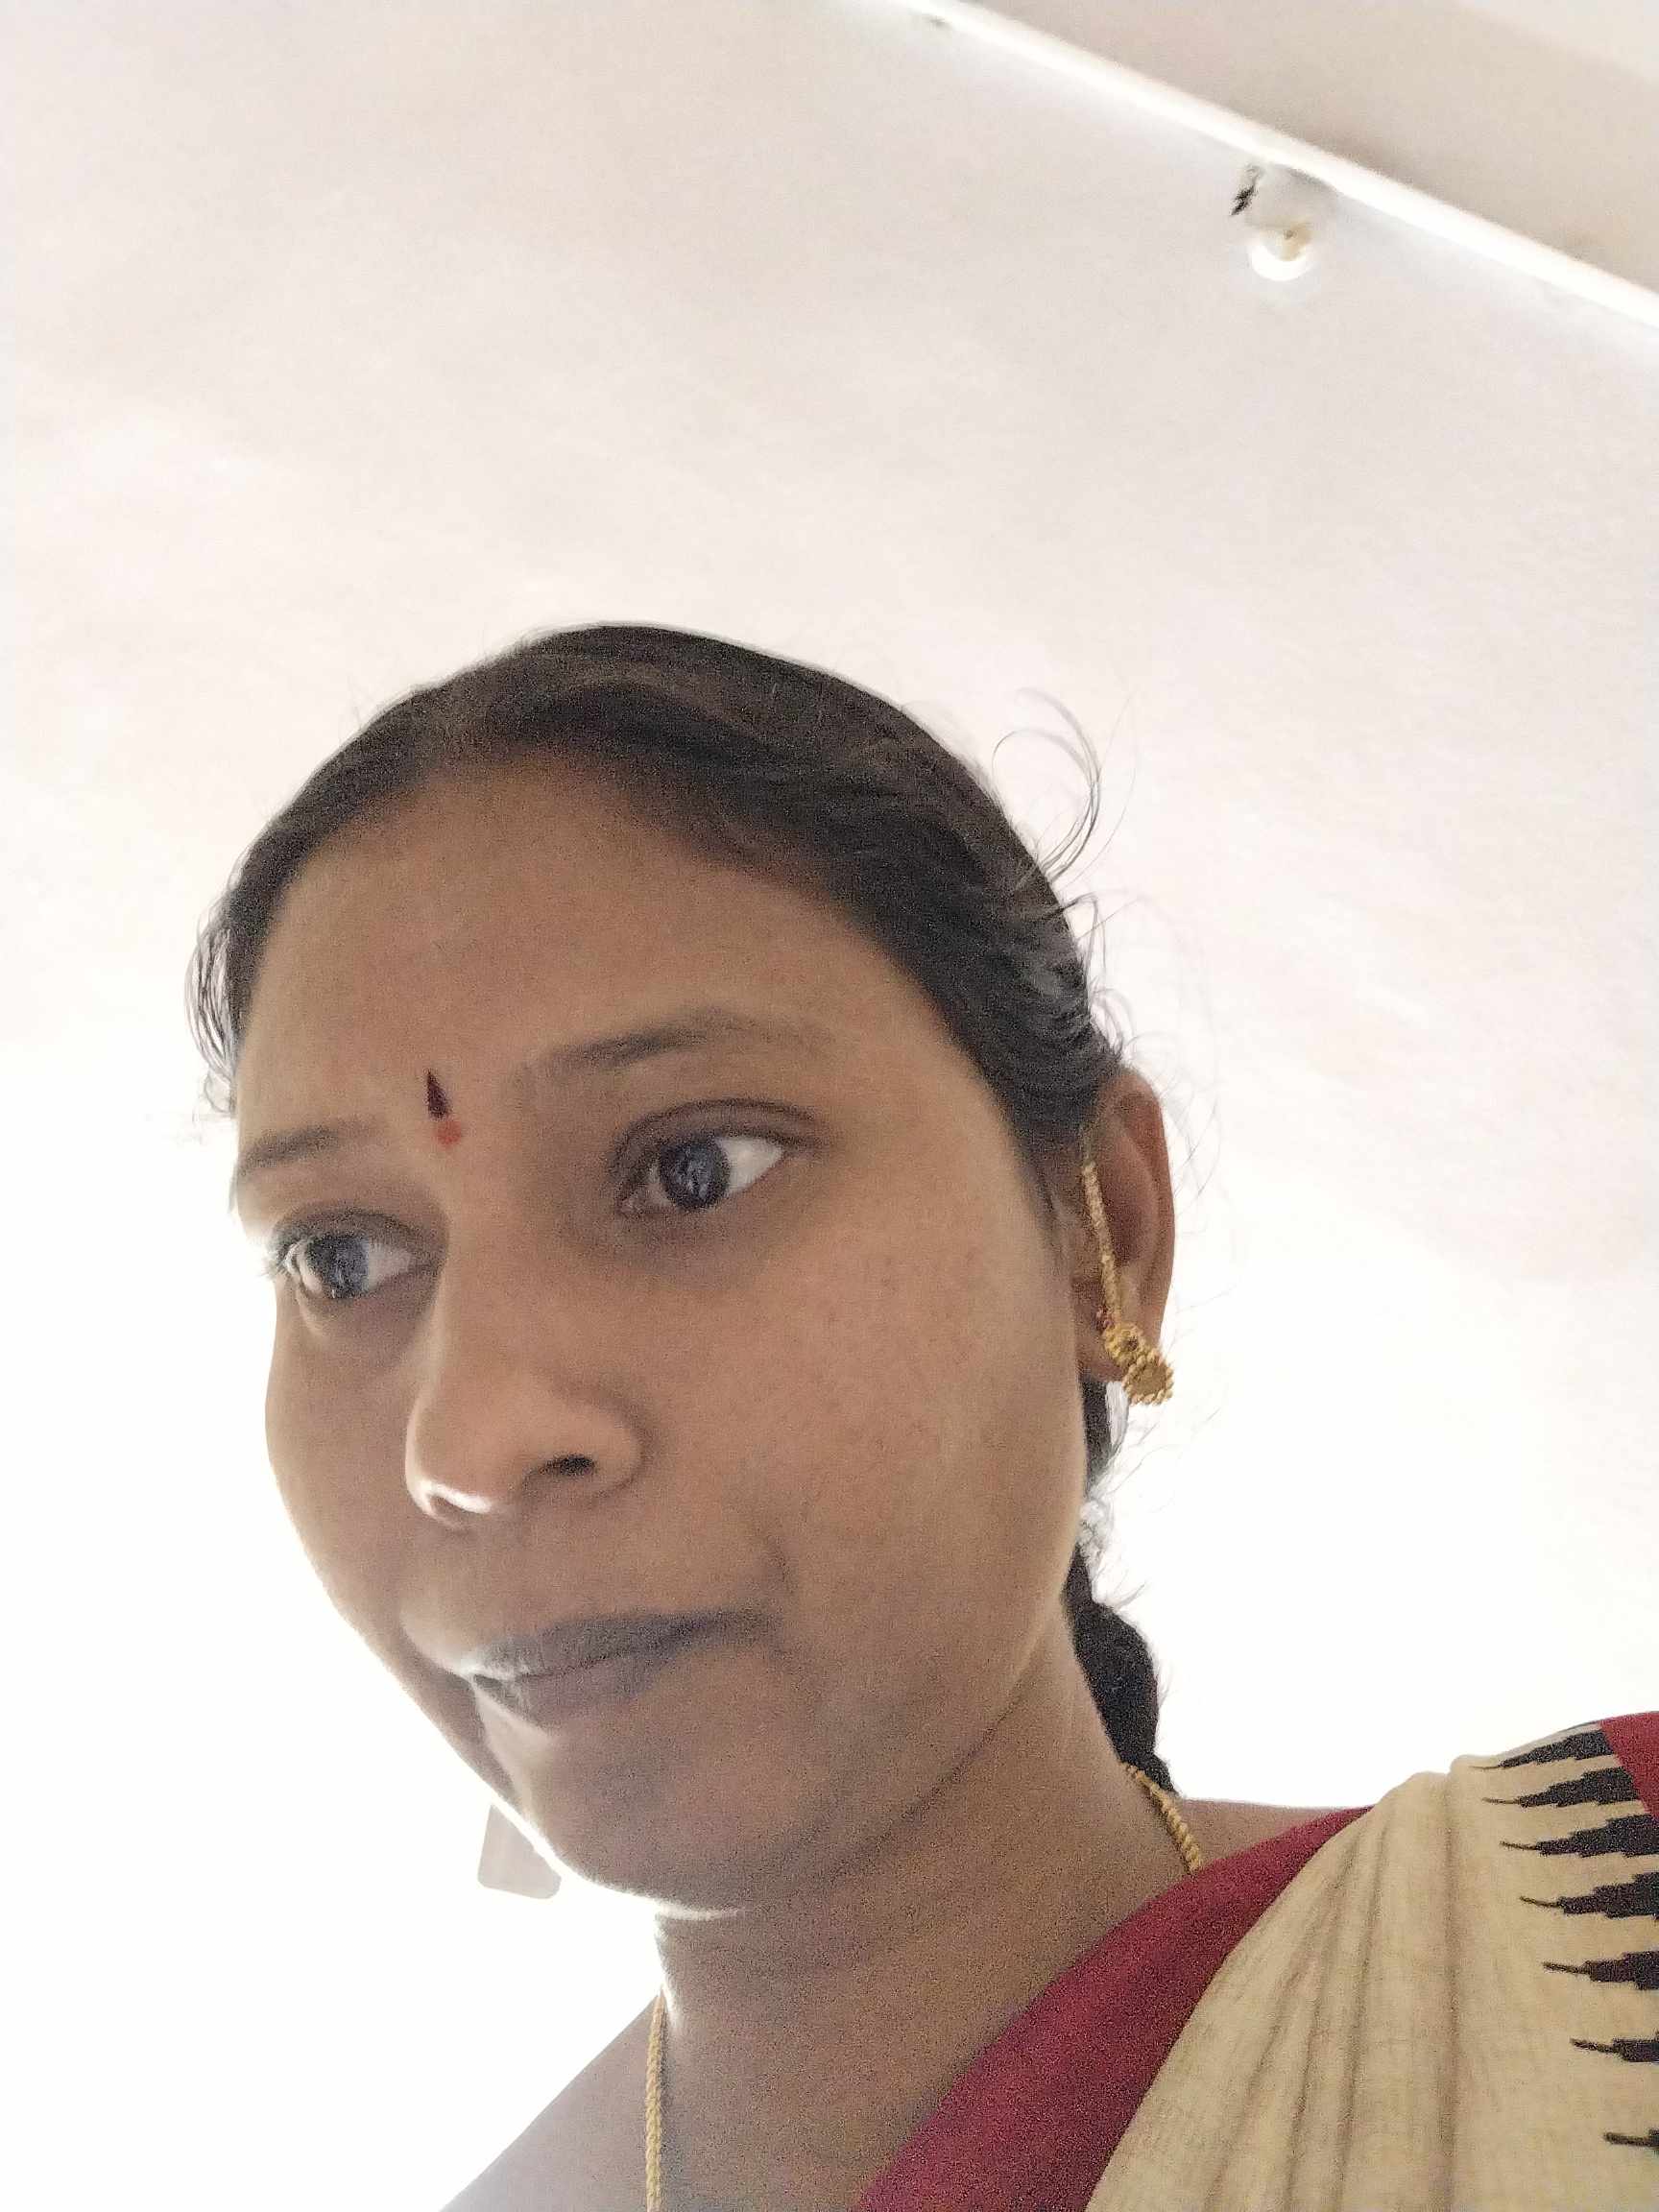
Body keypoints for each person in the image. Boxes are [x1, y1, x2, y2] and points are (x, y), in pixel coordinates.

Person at [190, 625, 1658, 2210]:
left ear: (1103, 1230)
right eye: (340, 1259)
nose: (468, 1444)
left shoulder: (1595, 1935)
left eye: (692, 1170)